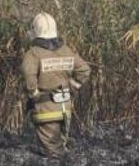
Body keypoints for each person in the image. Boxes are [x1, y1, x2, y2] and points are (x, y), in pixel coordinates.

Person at [22, 12, 91, 158]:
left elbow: (29, 77)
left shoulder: (33, 54)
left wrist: (34, 95)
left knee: (52, 153)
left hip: (46, 111)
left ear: (35, 31)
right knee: (61, 145)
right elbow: (84, 70)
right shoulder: (67, 51)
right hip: (65, 110)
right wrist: (72, 86)